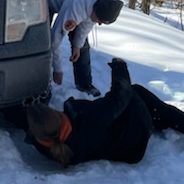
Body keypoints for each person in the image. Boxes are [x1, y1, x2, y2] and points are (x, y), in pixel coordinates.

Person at [24, 58, 184, 167]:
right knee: (135, 91)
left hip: (124, 151)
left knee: (132, 100)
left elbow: (35, 123)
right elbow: (120, 95)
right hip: (135, 133)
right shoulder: (88, 120)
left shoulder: (44, 144)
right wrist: (119, 67)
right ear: (58, 117)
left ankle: (162, 119)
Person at [44, 0, 123, 96]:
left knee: (82, 46)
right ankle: (42, 80)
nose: (99, 24)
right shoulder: (76, 8)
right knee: (44, 40)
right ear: (95, 10)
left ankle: (84, 84)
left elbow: (87, 25)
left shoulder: (102, 0)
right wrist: (58, 70)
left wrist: (77, 46)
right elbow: (55, 38)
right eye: (99, 20)